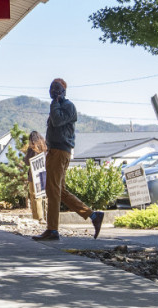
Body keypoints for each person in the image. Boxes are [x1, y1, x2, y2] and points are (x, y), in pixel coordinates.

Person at [32, 78, 104, 241]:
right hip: (55, 151)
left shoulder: (67, 106)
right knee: (60, 191)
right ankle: (93, 216)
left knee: (52, 190)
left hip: (59, 151)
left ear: (63, 90)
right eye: (51, 88)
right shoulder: (60, 105)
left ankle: (52, 230)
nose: (53, 91)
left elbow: (57, 121)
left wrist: (55, 103)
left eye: (56, 88)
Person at [24, 130, 48, 220]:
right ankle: (45, 217)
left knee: (34, 195)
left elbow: (27, 161)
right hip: (44, 174)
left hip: (33, 175)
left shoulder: (31, 148)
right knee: (43, 196)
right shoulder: (45, 147)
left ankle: (38, 217)